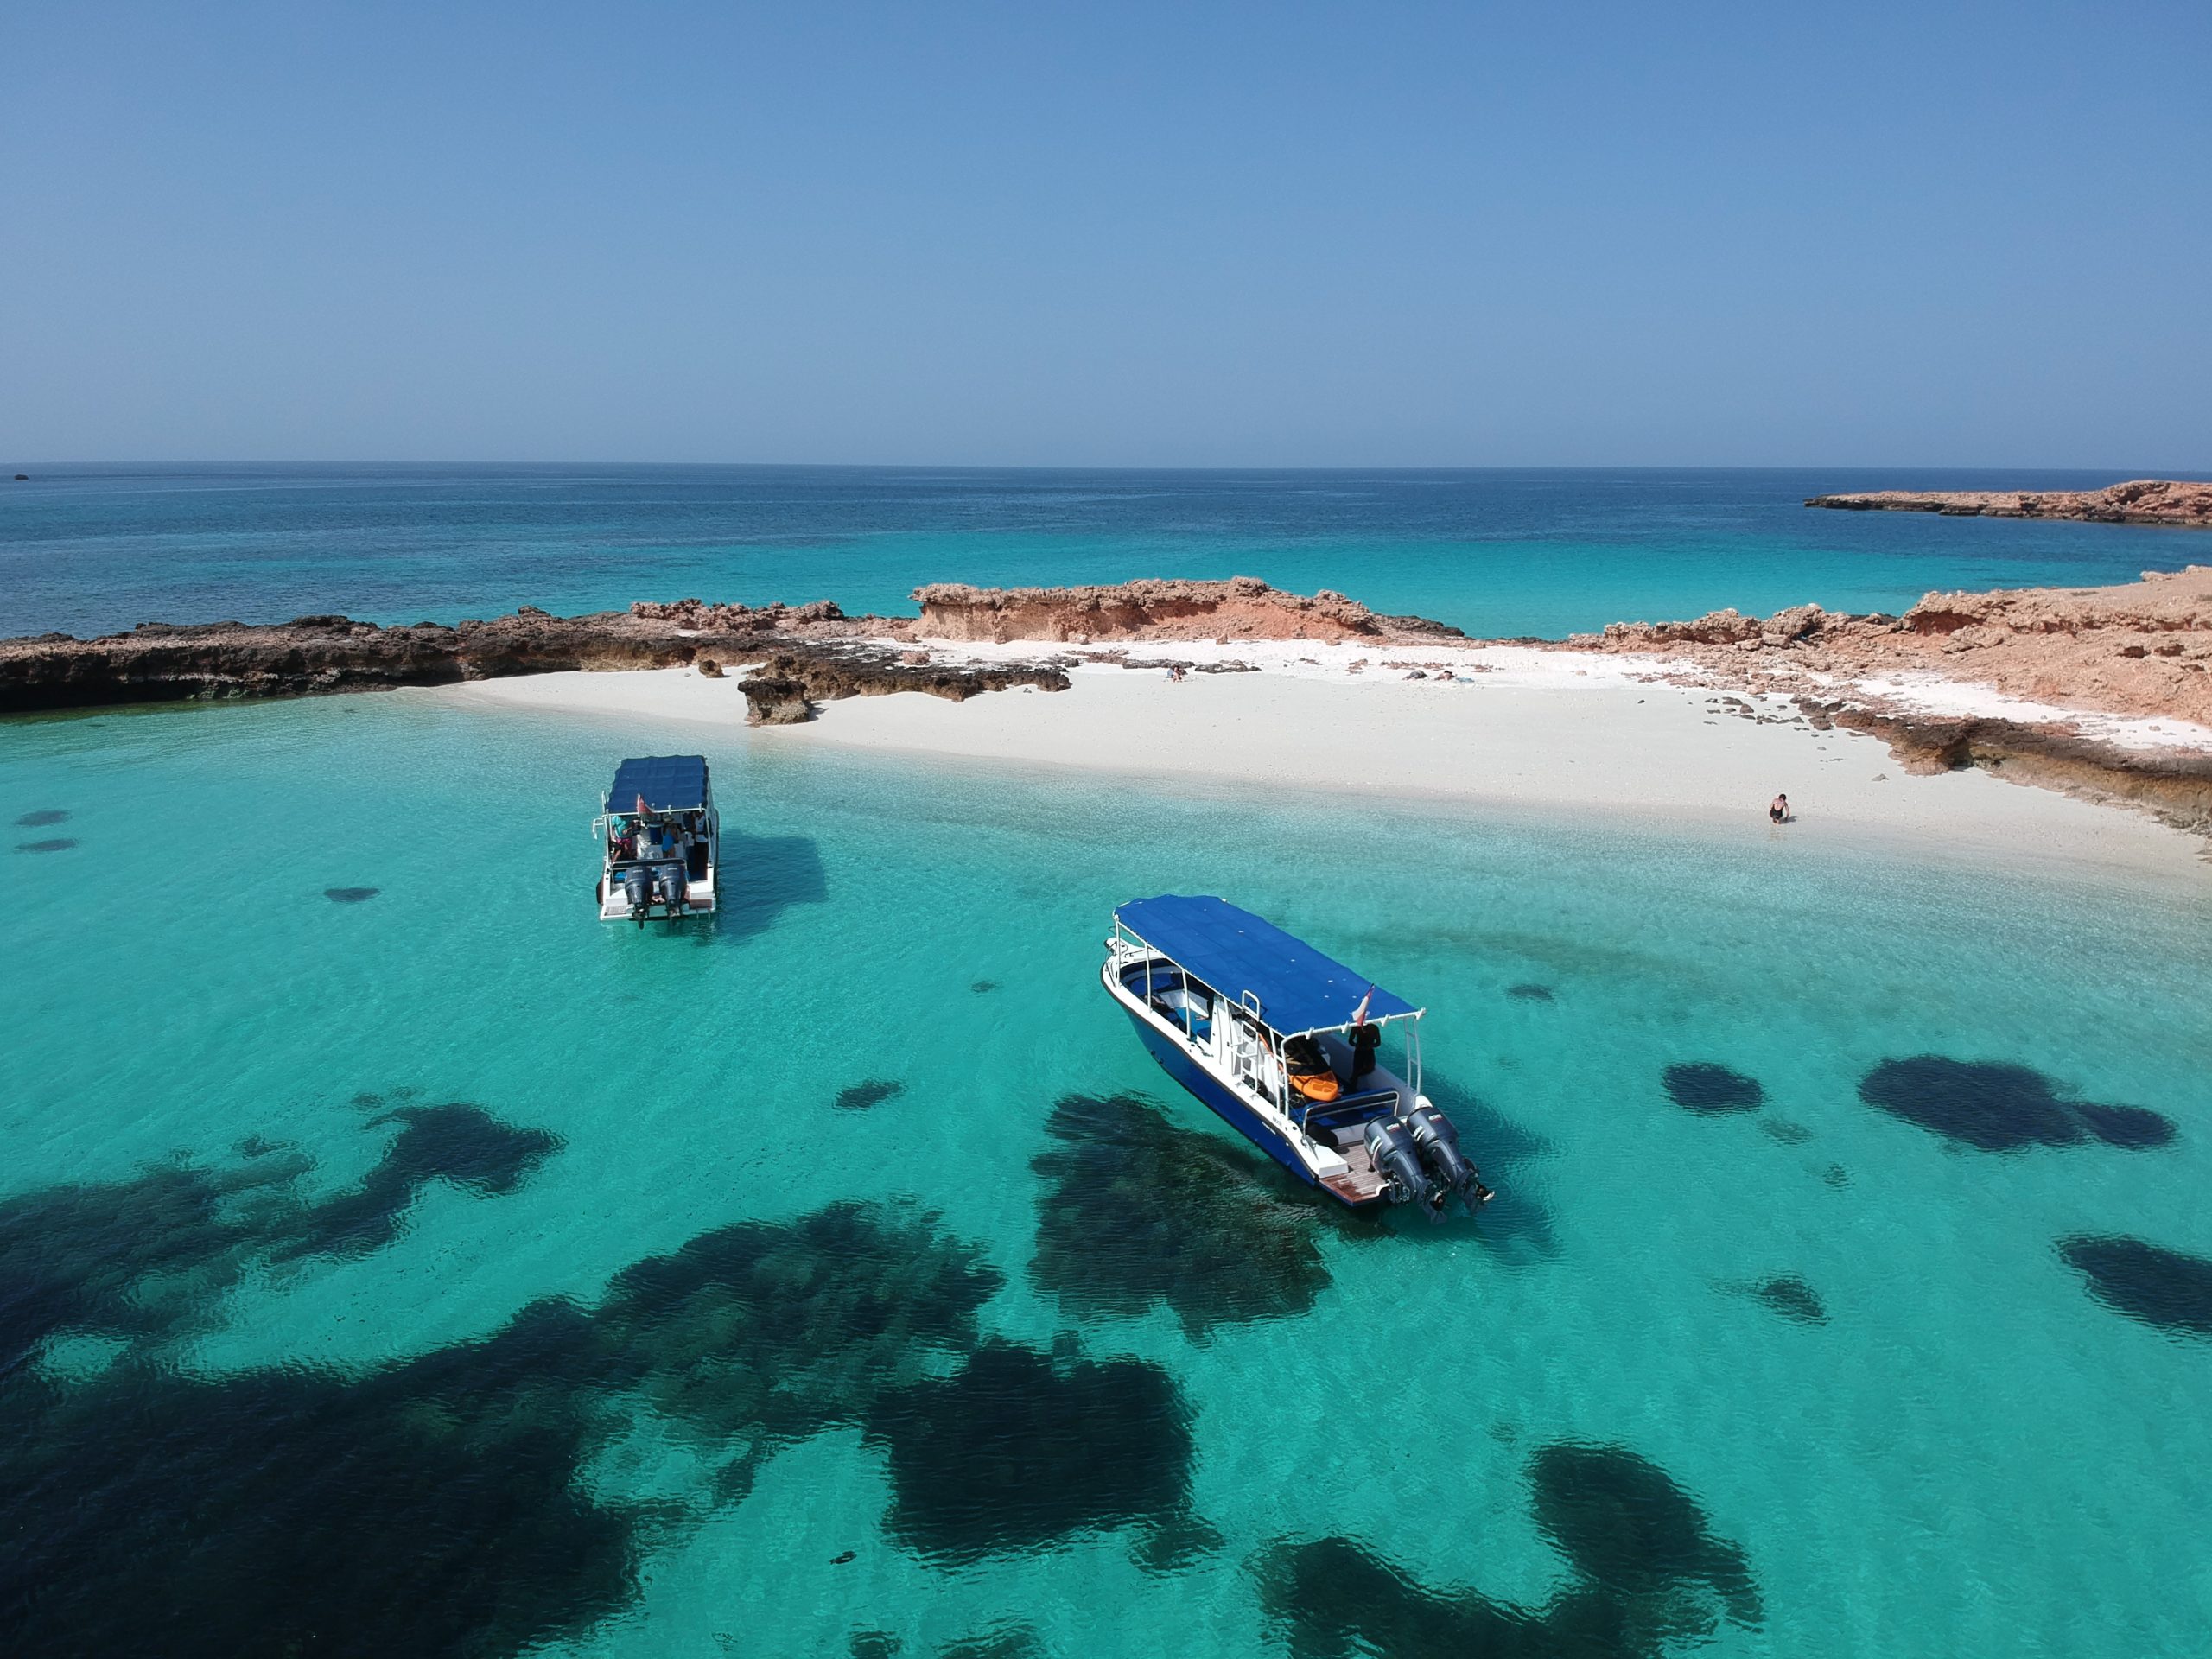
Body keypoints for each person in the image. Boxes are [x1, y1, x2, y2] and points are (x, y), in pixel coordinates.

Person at [1349, 1020, 1382, 1084]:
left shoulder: (1374, 1028)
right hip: (1360, 1051)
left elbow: (1378, 1043)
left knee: (1369, 1068)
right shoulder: (1356, 1028)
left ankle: (1355, 1077)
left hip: (1368, 1051)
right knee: (1356, 1070)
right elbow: (1350, 1041)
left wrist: (1370, 1046)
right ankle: (1353, 1082)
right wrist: (1356, 1045)